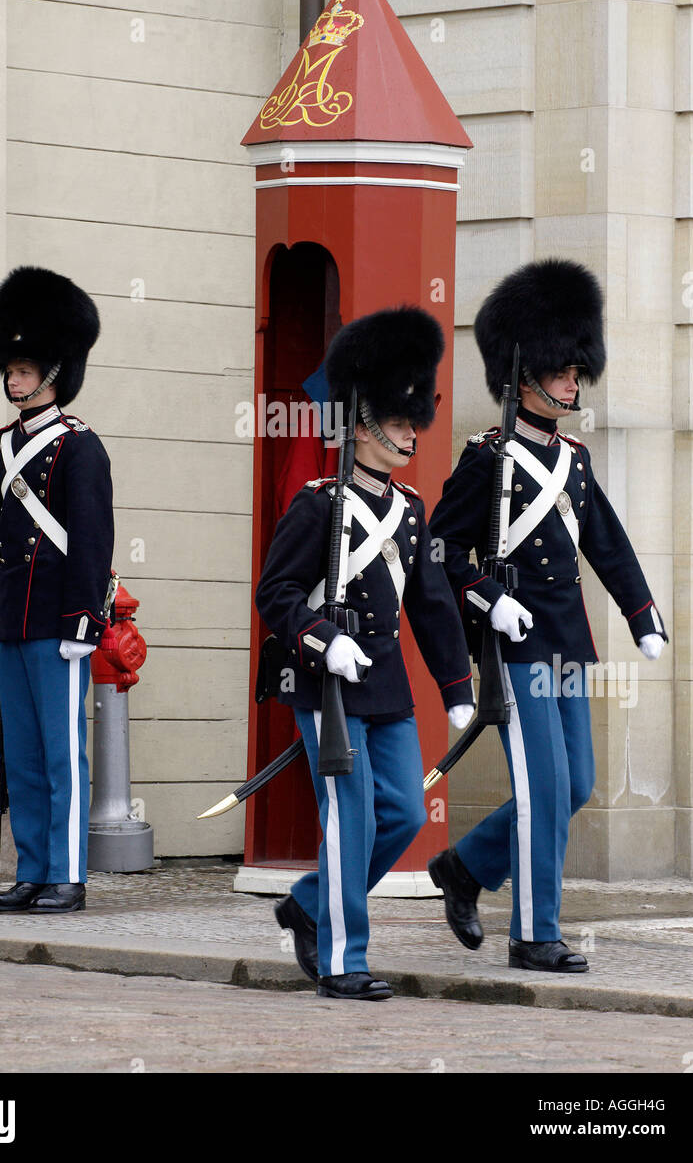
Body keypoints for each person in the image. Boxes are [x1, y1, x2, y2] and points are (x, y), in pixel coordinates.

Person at [428, 259, 667, 972]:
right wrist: (486, 596)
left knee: (576, 786)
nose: (571, 384)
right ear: (522, 373)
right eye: (560, 372)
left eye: (574, 372)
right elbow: (438, 549)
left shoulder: (572, 460)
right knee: (540, 791)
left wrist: (641, 613)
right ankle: (534, 932)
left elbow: (606, 543)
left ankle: (465, 867)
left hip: (567, 647)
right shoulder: (487, 461)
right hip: (514, 651)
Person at [255, 307, 475, 1000]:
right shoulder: (318, 504)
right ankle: (344, 961)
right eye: (400, 420)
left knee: (405, 816)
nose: (411, 432)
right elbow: (276, 591)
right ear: (362, 425)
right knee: (348, 821)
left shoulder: (409, 509)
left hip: (383, 689)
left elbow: (431, 603)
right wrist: (322, 637)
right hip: (326, 686)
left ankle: (310, 904)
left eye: (414, 420)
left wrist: (457, 684)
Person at [0, 266, 114, 913]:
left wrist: (83, 622)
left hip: (59, 625)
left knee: (63, 755)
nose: (14, 379)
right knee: (26, 756)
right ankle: (32, 870)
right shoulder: (1, 447)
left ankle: (67, 874)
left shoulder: (79, 448)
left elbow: (91, 540)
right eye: (11, 368)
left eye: (26, 370)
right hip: (14, 622)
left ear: (55, 373)